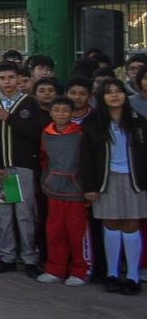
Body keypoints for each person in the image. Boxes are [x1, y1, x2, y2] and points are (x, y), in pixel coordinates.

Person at [81, 79, 146, 295]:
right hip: (106, 180)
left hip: (134, 180)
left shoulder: (138, 122)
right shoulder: (94, 123)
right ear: (102, 97)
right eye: (109, 93)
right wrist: (89, 187)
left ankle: (133, 276)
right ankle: (112, 273)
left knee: (131, 224)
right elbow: (86, 158)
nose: (115, 96)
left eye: (119, 91)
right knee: (110, 223)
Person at [0, 62, 47, 276]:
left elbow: (36, 133)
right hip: (0, 168)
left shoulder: (30, 103)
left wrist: (10, 118)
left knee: (25, 213)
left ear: (18, 79)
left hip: (24, 166)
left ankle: (29, 257)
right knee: (2, 213)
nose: (7, 82)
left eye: (11, 78)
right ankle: (6, 256)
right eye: (3, 78)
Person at [35, 98, 88, 285]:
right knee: (54, 230)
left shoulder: (81, 134)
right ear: (50, 113)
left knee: (76, 232)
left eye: (65, 110)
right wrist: (47, 180)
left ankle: (79, 270)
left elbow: (86, 161)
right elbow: (43, 159)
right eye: (56, 110)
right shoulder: (46, 133)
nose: (60, 114)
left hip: (75, 190)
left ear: (72, 113)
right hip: (53, 189)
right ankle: (55, 268)